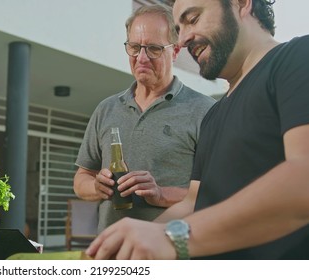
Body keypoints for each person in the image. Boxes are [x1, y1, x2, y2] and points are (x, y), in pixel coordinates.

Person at [85, 0, 309, 260]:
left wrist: (172, 238)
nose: (183, 40)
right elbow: (192, 202)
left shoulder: (304, 56)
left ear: (242, 4)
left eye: (193, 19)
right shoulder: (213, 115)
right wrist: (128, 246)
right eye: (179, 28)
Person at [73, 3, 216, 233]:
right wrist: (97, 187)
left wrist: (160, 194)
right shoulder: (106, 109)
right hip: (112, 254)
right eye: (134, 47)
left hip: (173, 255)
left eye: (153, 48)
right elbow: (82, 178)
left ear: (176, 51)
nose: (141, 57)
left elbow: (217, 193)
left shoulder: (205, 110)